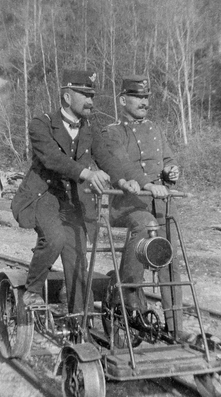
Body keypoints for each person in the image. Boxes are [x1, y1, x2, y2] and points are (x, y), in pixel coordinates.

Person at [11, 69, 138, 315]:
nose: (91, 101)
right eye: (84, 95)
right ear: (67, 97)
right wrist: (87, 174)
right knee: (55, 238)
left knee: (79, 256)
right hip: (43, 196)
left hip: (72, 202)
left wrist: (123, 181)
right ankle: (32, 290)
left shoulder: (89, 129)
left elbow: (106, 159)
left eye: (92, 95)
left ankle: (81, 320)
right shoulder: (41, 124)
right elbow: (53, 160)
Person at [102, 75, 183, 333]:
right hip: (129, 205)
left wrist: (172, 171)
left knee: (168, 258)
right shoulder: (113, 132)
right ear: (123, 100)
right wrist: (148, 184)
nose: (143, 102)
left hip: (158, 203)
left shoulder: (155, 129)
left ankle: (175, 326)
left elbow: (168, 159)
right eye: (137, 97)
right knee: (145, 225)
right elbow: (122, 167)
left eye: (146, 97)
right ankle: (128, 299)